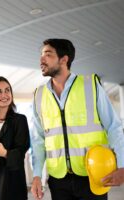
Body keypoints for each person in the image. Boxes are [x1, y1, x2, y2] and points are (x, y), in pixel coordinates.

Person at [30, 38, 124, 200]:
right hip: (58, 180)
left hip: (93, 174)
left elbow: (114, 127)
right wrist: (37, 175)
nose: (41, 59)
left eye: (48, 54)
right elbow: (38, 140)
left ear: (64, 59)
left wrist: (122, 166)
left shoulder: (91, 86)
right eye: (41, 54)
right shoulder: (39, 95)